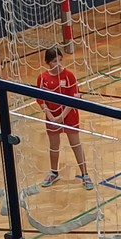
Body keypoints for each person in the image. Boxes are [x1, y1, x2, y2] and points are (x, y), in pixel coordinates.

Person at [36, 47, 94, 189]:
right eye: (54, 61)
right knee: (54, 146)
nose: (58, 64)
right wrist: (51, 117)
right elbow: (40, 100)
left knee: (75, 144)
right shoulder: (42, 78)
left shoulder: (69, 76)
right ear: (47, 62)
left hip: (69, 116)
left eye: (60, 60)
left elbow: (73, 98)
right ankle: (54, 173)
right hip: (52, 117)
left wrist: (61, 117)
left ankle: (85, 175)